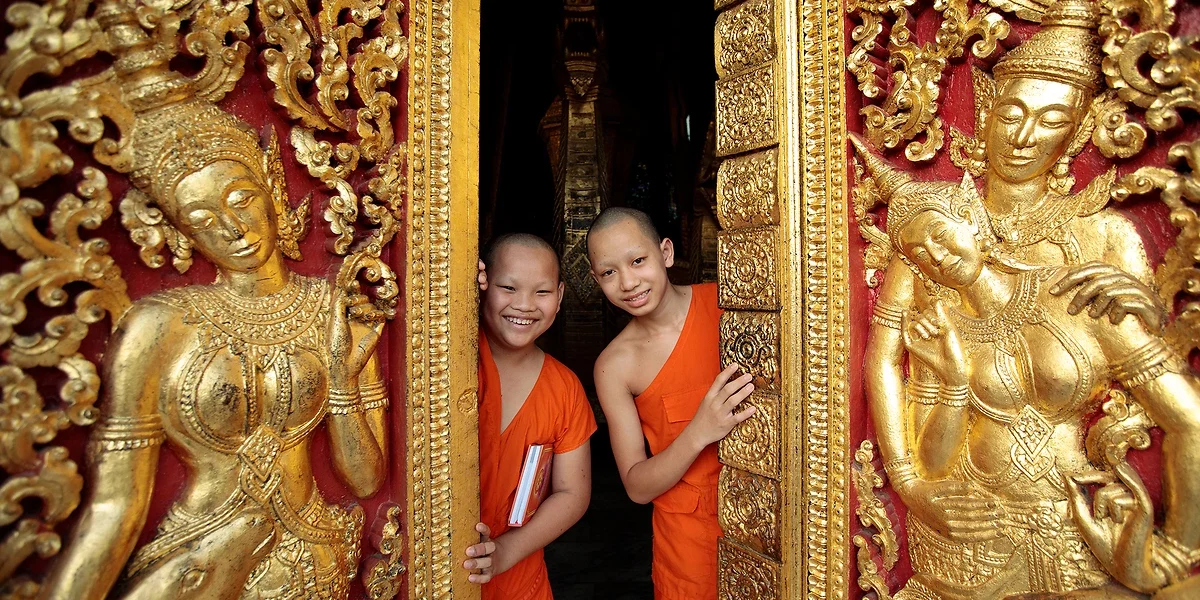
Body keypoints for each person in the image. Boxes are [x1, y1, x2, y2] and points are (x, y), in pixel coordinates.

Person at [884, 173, 1200, 597]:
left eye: (940, 235)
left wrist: (1175, 550)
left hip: (1077, 532)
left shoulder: (1075, 296)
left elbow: (1188, 421)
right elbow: (933, 464)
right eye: (919, 254)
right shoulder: (940, 332)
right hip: (970, 542)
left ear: (971, 218)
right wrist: (955, 379)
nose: (936, 256)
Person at [587, 207, 756, 600]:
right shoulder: (615, 366)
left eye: (638, 260)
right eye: (609, 273)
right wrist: (698, 431)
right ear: (596, 280)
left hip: (767, 521)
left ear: (665, 253)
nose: (628, 282)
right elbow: (636, 486)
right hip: (689, 542)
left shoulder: (729, 306)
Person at [462, 233, 597, 600]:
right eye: (508, 287)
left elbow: (573, 494)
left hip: (520, 579)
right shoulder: (450, 356)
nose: (524, 305)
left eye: (541, 292)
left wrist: (508, 551)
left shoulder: (565, 388)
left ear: (560, 297)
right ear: (483, 285)